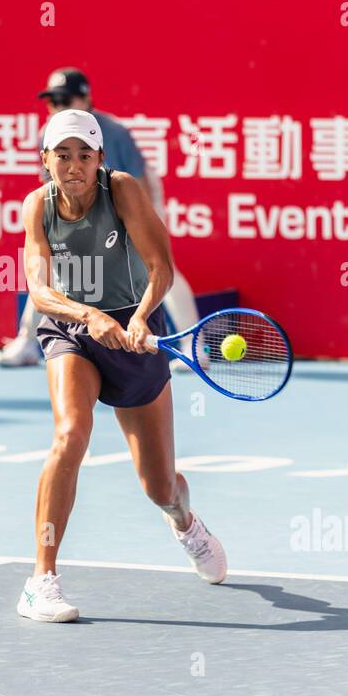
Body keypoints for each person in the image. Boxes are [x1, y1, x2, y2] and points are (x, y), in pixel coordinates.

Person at [16, 109, 227, 622]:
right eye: (61, 155)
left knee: (159, 487)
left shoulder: (124, 190)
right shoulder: (37, 207)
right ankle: (41, 580)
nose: (73, 166)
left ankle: (185, 522)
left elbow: (162, 268)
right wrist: (90, 316)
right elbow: (40, 291)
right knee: (70, 435)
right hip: (71, 332)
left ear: (99, 160)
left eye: (83, 156)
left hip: (131, 334)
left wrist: (138, 319)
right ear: (45, 161)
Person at [0, 68, 200, 372]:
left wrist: (130, 232)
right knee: (54, 266)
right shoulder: (48, 136)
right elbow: (54, 191)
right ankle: (27, 341)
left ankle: (193, 345)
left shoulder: (115, 133)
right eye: (52, 101)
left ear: (86, 99)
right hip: (85, 204)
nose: (58, 106)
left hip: (131, 199)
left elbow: (139, 188)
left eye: (66, 99)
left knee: (155, 266)